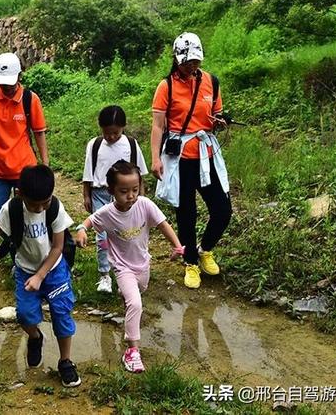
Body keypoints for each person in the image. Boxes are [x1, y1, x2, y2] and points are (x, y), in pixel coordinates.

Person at [0, 164, 81, 388]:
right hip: (25, 270)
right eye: (34, 204)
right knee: (25, 315)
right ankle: (35, 337)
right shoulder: (11, 209)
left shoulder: (55, 207)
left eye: (45, 202)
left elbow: (58, 247)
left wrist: (41, 275)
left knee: (62, 313)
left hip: (54, 269)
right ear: (20, 195)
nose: (40, 209)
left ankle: (65, 361)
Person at [76, 160, 184, 373]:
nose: (131, 196)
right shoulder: (107, 213)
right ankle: (132, 351)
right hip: (122, 267)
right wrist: (81, 229)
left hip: (142, 264)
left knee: (138, 291)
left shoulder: (145, 205)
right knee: (135, 304)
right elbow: (89, 221)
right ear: (111, 191)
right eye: (124, 191)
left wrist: (178, 246)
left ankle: (126, 294)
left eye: (135, 189)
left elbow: (163, 224)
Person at [150, 32, 232, 289]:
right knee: (186, 212)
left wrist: (219, 121)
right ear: (176, 60)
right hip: (180, 157)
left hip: (206, 155)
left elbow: (214, 116)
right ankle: (191, 262)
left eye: (195, 61)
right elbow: (157, 125)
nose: (192, 66)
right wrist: (155, 158)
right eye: (187, 62)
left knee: (222, 209)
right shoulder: (167, 86)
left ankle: (205, 248)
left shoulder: (211, 82)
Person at [0, 52, 50, 259]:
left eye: (10, 82)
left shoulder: (29, 99)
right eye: (3, 83)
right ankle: (9, 246)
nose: (6, 87)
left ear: (19, 76)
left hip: (24, 169)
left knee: (24, 217)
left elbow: (39, 132)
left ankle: (20, 258)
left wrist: (45, 164)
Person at [82, 105, 149, 293]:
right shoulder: (94, 145)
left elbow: (139, 175)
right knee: (102, 237)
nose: (111, 137)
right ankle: (104, 275)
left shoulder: (131, 144)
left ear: (123, 127)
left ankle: (128, 273)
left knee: (127, 235)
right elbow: (88, 172)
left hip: (127, 197)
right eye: (107, 133)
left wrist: (140, 199)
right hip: (101, 194)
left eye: (115, 133)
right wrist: (86, 194)